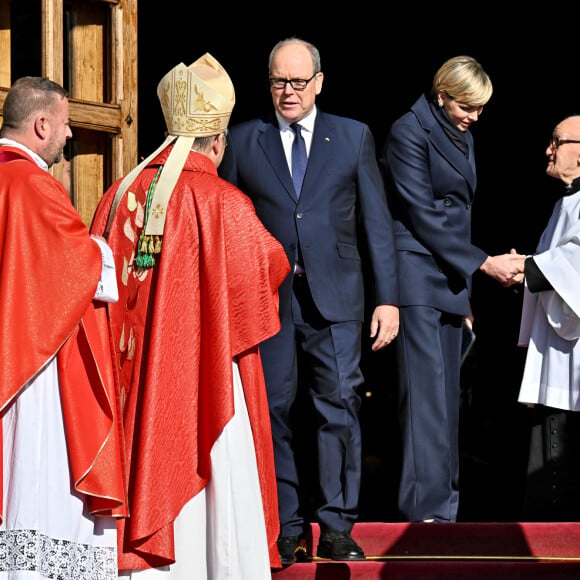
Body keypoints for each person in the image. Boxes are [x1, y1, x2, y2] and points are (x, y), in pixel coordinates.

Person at [90, 53, 290, 578]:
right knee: (218, 512)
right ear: (217, 141)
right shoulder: (222, 201)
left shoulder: (116, 196)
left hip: (130, 385)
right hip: (205, 385)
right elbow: (266, 268)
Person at [219, 37, 400, 565]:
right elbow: (229, 223)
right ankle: (286, 525)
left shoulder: (352, 137)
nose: (289, 91)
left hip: (338, 297)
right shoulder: (245, 140)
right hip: (266, 300)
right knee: (271, 408)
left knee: (339, 405)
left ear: (319, 82)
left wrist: (387, 300)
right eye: (279, 81)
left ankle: (338, 525)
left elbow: (376, 223)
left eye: (299, 81)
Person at [378, 56, 526, 523]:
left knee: (445, 403)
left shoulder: (461, 136)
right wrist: (483, 263)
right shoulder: (408, 131)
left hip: (448, 279)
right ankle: (423, 515)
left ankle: (444, 513)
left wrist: (464, 291)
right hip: (418, 277)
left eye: (480, 108)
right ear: (441, 94)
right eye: (468, 106)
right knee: (423, 400)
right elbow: (422, 213)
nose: (475, 116)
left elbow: (457, 213)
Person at [0, 76, 125, 579]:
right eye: (67, 124)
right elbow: (77, 265)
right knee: (37, 476)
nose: (71, 135)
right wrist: (111, 247)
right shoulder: (30, 185)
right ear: (41, 123)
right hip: (30, 364)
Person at [513, 115, 580, 521]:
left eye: (557, 141)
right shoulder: (564, 204)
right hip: (560, 344)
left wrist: (527, 268)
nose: (548, 149)